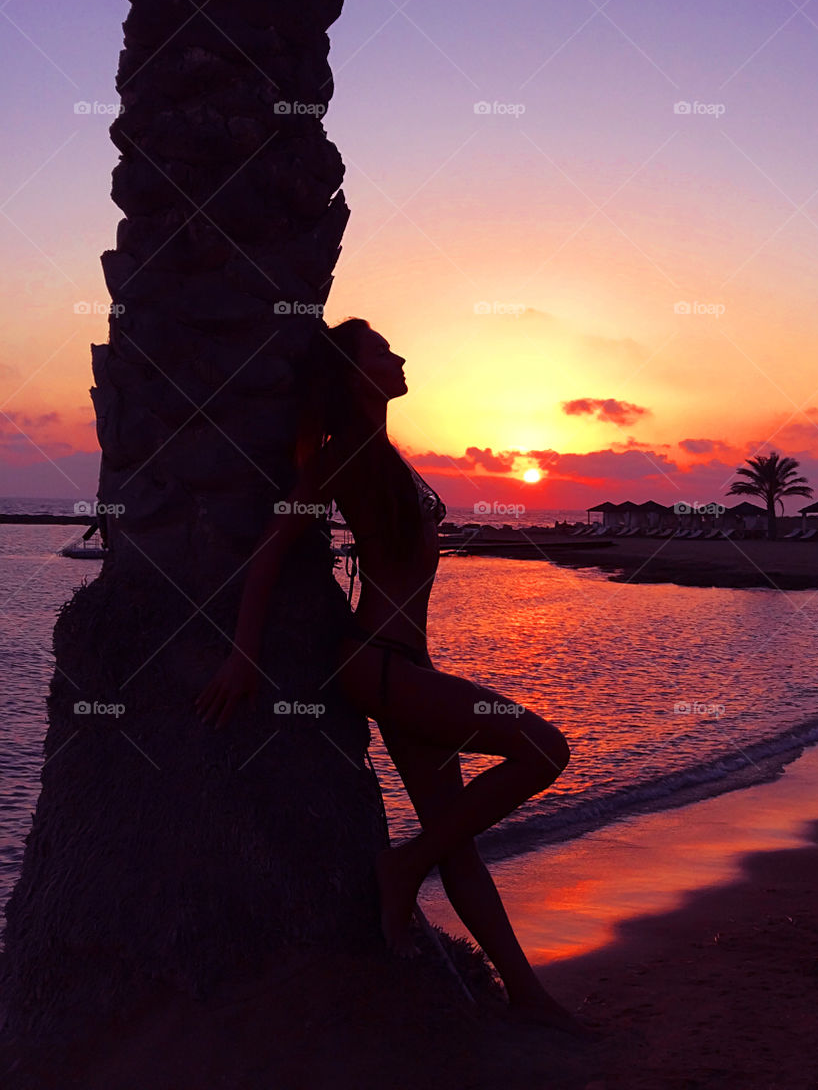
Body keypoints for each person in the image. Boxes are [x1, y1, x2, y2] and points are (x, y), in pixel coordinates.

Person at [194, 317, 582, 1034]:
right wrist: (242, 654)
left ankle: (526, 994)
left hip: (403, 663)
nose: (399, 356)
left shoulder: (384, 454)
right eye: (382, 351)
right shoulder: (341, 459)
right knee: (543, 748)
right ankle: (401, 870)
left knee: (455, 839)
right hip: (373, 661)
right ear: (352, 373)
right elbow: (269, 555)